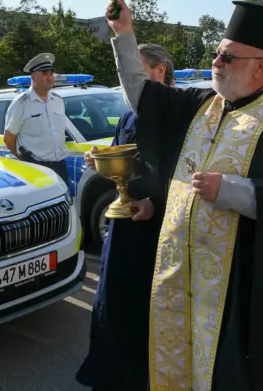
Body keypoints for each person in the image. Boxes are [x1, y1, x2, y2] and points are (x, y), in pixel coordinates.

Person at [107, 0, 263, 391]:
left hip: (241, 288)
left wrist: (232, 190)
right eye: (217, 53)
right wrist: (124, 34)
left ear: (262, 67)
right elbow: (144, 96)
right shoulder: (200, 106)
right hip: (182, 283)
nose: (217, 62)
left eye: (229, 57)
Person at [76, 42, 175, 390]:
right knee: (113, 298)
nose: (125, 82)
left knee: (144, 307)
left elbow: (180, 173)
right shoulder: (132, 112)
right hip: (125, 219)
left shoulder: (176, 111)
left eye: (135, 71)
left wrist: (156, 203)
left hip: (155, 229)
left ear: (159, 71)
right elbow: (126, 159)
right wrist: (101, 159)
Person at [3, 52, 69, 184]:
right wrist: (26, 161)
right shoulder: (21, 103)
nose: (50, 77)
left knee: (63, 203)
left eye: (51, 73)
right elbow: (9, 138)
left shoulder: (57, 100)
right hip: (37, 168)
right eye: (45, 73)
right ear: (34, 76)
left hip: (60, 166)